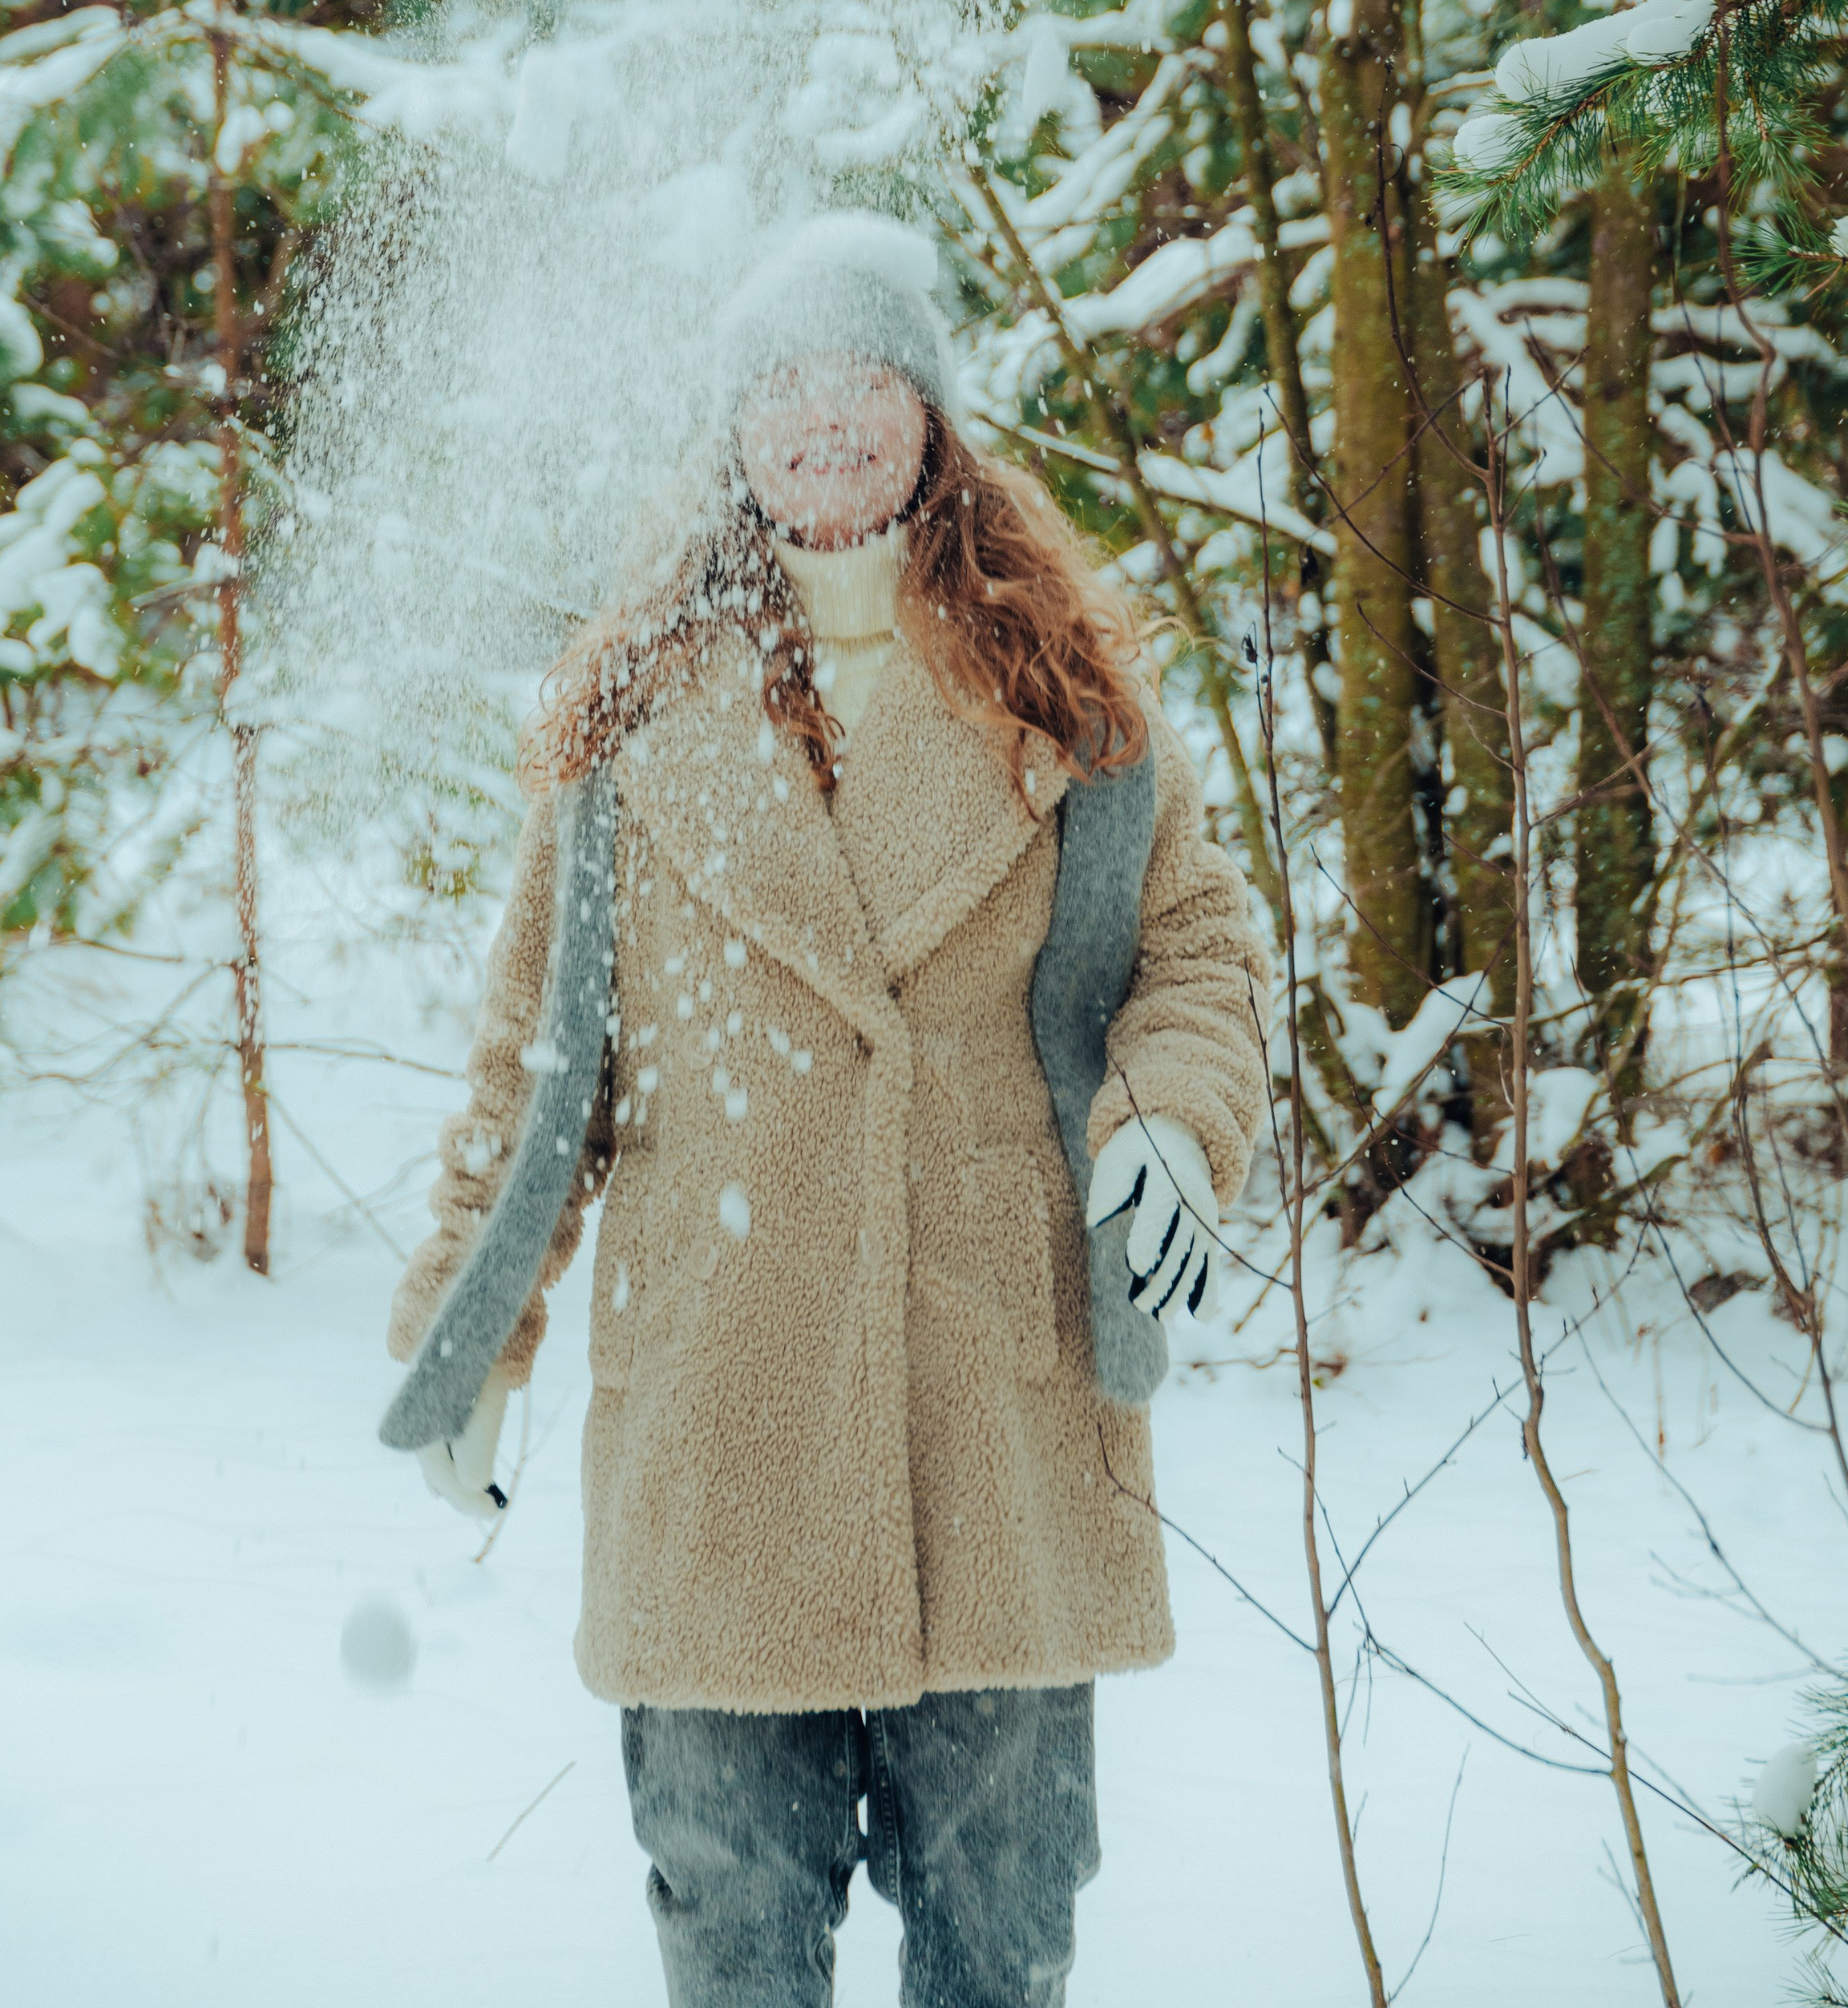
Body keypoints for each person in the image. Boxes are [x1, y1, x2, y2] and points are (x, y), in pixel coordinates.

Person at [387, 212, 1269, 2008]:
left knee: (998, 1944)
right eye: (780, 388)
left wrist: (1170, 1121)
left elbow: (1194, 950)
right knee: (730, 1935)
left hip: (993, 1400)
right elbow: (535, 1068)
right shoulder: (631, 720)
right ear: (731, 431)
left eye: (861, 380)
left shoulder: (1069, 701)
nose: (822, 422)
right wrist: (467, 1333)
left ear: (928, 413)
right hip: (724, 1418)